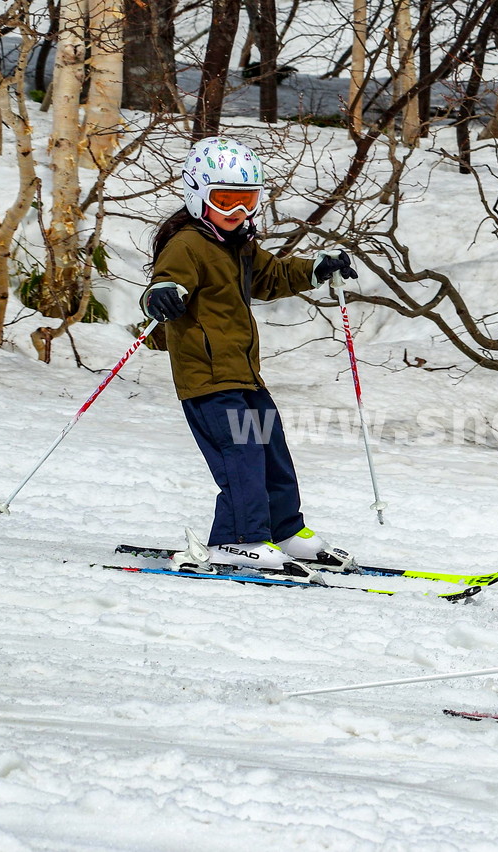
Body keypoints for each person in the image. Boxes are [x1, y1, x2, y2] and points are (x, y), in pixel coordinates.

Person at [141, 136, 358, 573]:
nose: (238, 212)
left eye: (248, 201)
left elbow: (271, 278)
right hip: (207, 379)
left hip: (242, 375)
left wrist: (317, 267)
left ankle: (283, 530)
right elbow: (164, 281)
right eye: (225, 200)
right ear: (197, 194)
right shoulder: (187, 244)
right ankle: (237, 540)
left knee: (269, 447)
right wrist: (160, 295)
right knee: (241, 454)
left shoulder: (237, 244)